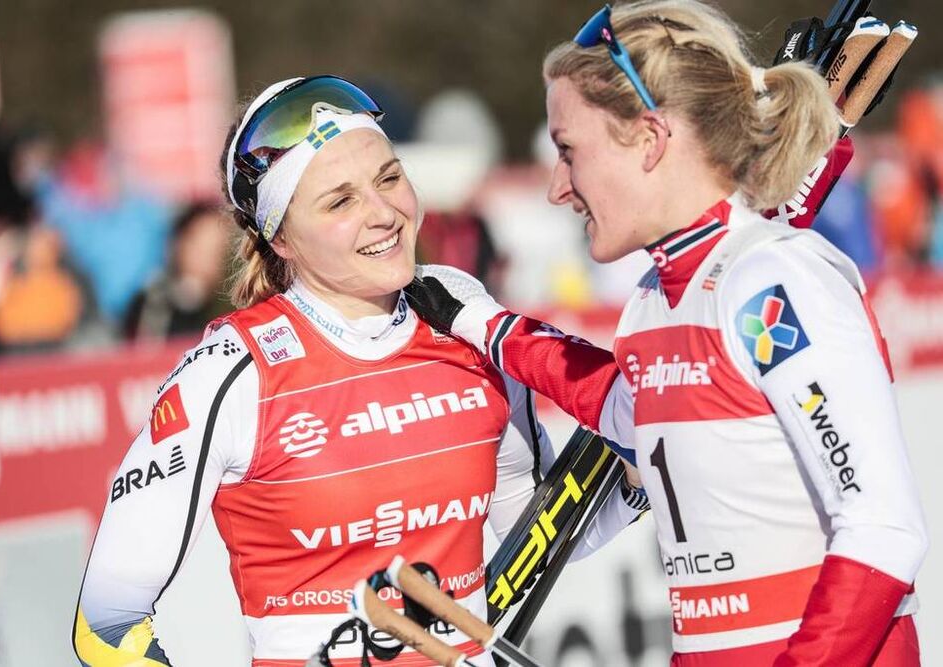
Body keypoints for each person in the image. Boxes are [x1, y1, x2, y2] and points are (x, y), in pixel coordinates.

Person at [405, 2, 929, 665]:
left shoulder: (772, 279)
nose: (557, 188)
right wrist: (481, 323)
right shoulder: (656, 301)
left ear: (650, 139)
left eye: (570, 151)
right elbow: (635, 407)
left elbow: (883, 527)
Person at [72, 75, 648, 666]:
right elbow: (107, 626)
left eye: (389, 177)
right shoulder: (232, 371)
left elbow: (547, 536)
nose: (384, 213)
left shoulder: (460, 311)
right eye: (340, 201)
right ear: (282, 239)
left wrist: (639, 473)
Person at [124, 202, 234, 340]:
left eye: (216, 249)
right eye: (199, 245)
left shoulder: (231, 308)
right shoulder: (153, 303)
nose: (205, 257)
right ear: (180, 243)